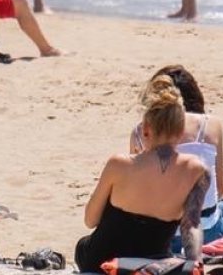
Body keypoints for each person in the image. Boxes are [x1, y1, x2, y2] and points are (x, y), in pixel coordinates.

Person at [128, 66, 223, 250]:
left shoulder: (140, 133)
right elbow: (219, 190)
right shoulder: (208, 125)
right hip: (207, 236)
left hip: (155, 241)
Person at [75, 76, 209, 273]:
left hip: (103, 265)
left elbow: (90, 220)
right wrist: (194, 266)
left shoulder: (119, 164)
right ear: (181, 130)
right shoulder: (196, 170)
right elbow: (191, 228)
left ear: (146, 129)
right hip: (150, 266)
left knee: (82, 245)